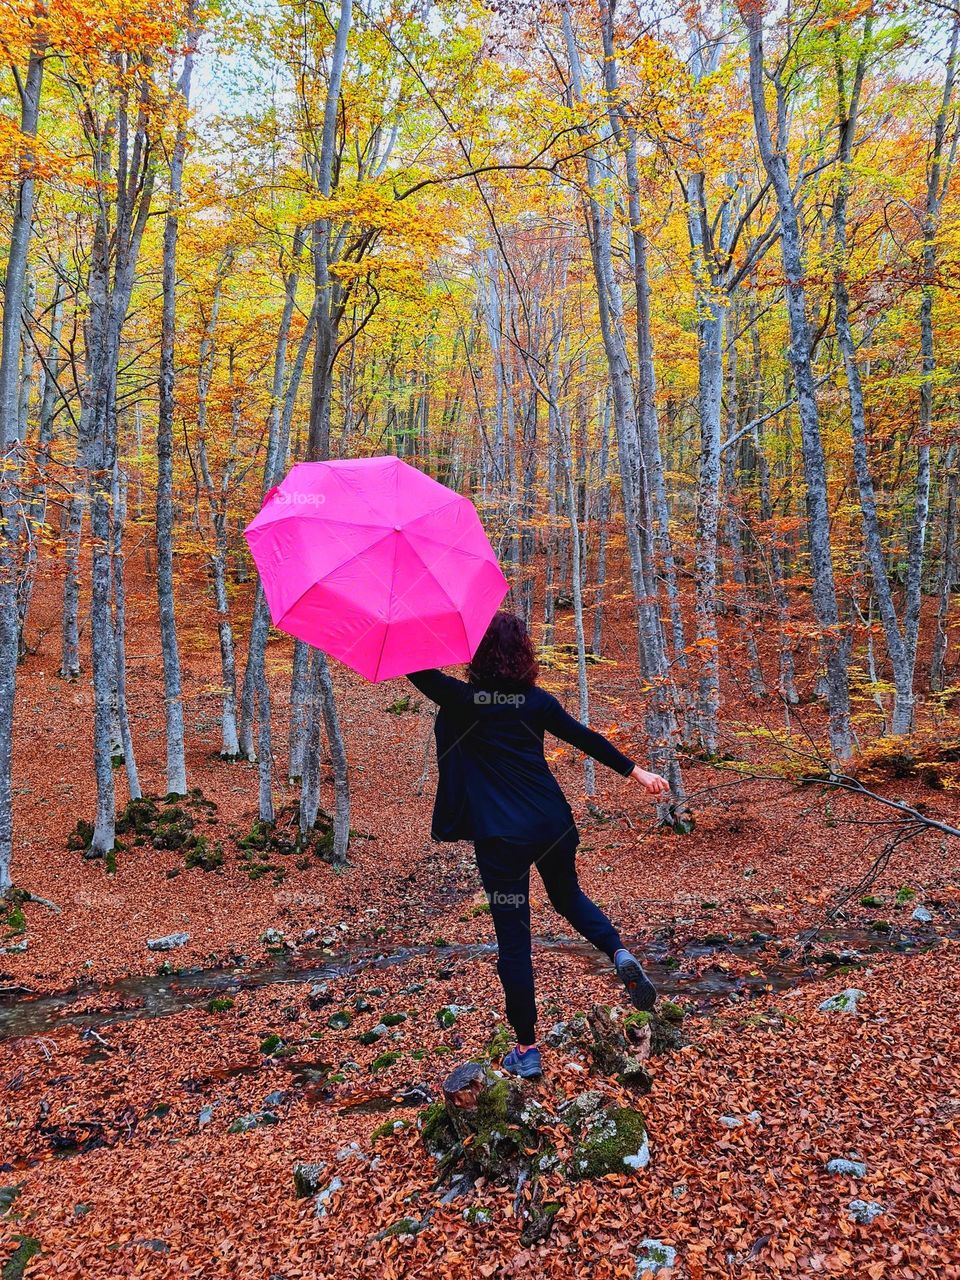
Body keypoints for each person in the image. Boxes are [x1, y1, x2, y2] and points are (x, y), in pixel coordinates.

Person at [407, 610, 670, 1079]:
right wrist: (639, 772)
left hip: (501, 838)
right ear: (524, 653)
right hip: (553, 824)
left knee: (514, 940)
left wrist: (420, 627)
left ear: (479, 655)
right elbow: (587, 739)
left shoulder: (466, 700)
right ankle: (618, 953)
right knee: (567, 897)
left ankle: (527, 1050)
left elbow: (417, 669)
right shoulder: (538, 702)